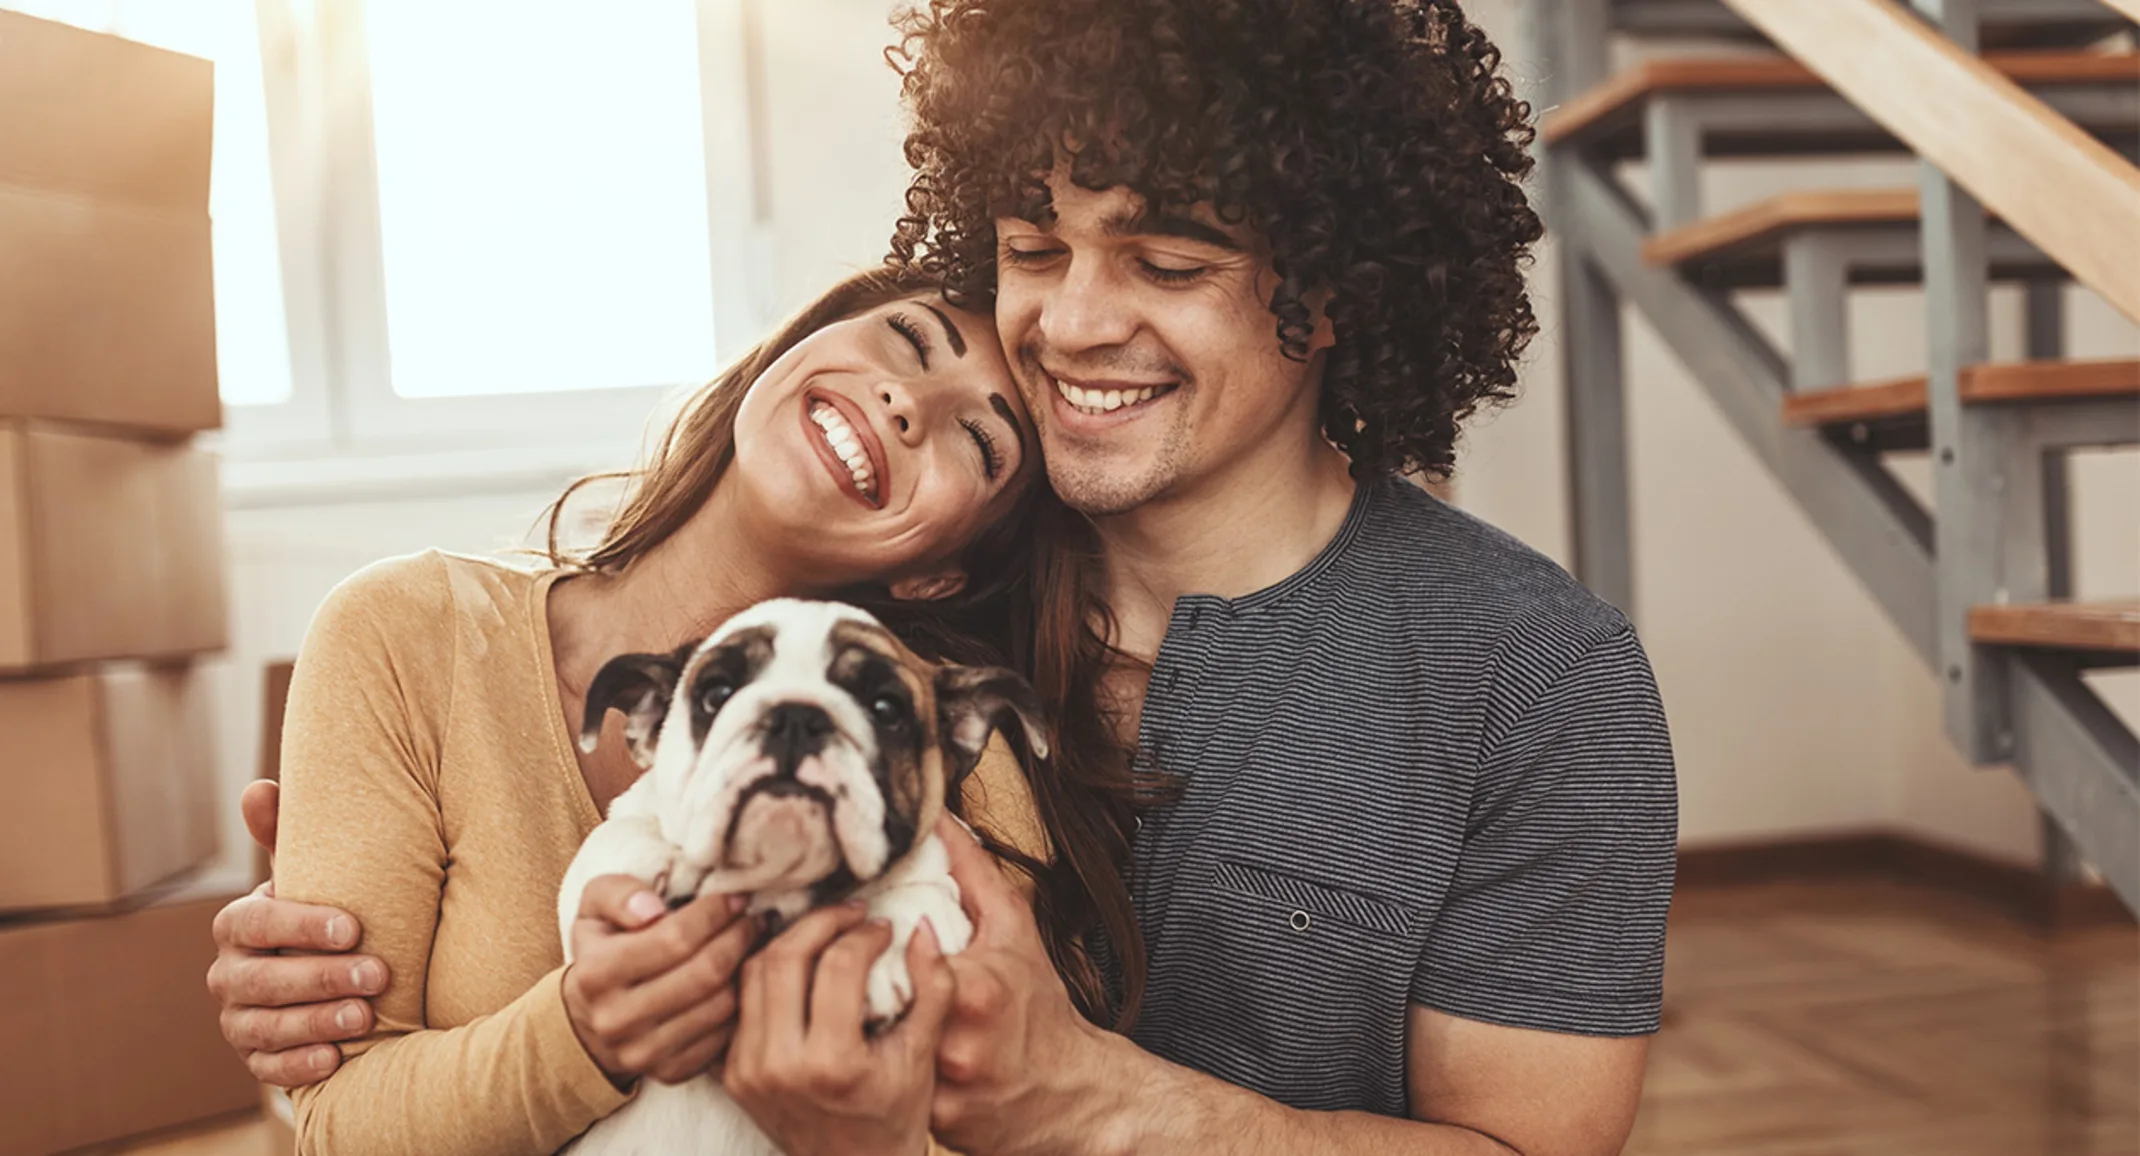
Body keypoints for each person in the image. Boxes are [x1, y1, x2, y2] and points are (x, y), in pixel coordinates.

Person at [216, 1, 1679, 1153]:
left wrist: (1096, 1108)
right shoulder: (892, 621)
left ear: (1343, 290)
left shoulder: (1539, 682)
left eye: (1169, 263)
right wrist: (329, 948)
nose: (1072, 323)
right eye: (1035, 247)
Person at [211, 265, 1130, 1156]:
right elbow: (336, 1128)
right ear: (800, 343)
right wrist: (579, 1035)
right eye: (907, 339)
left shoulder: (953, 763)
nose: (905, 404)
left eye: (978, 440)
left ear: (941, 568)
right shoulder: (408, 634)